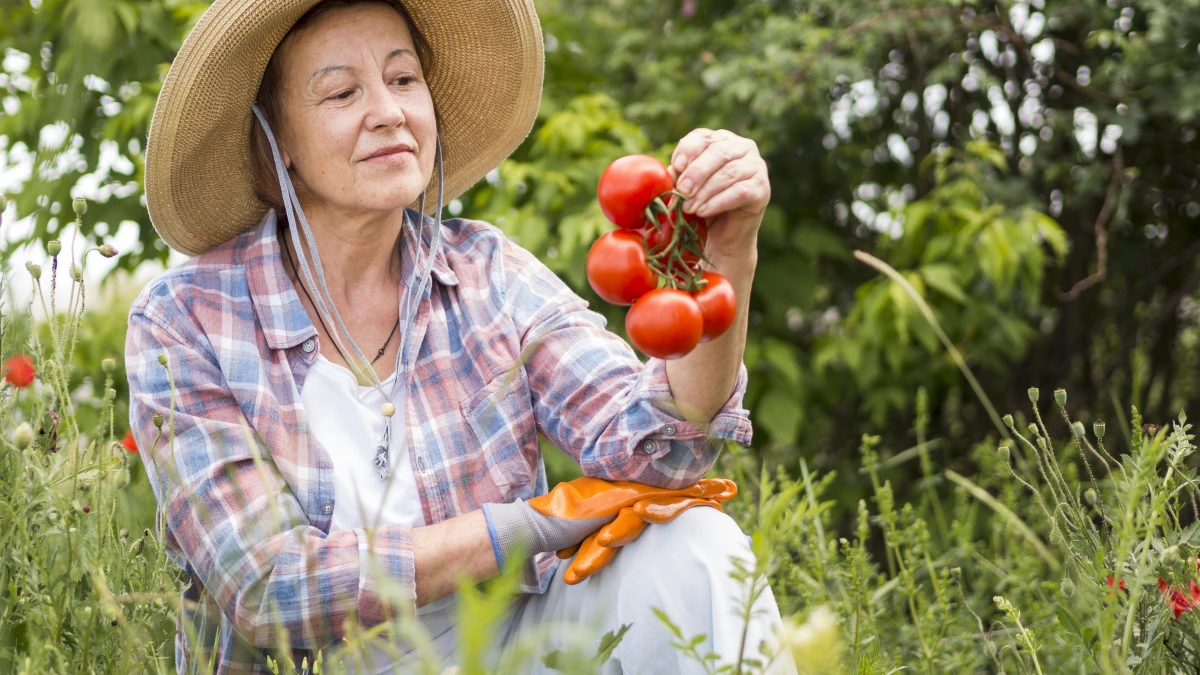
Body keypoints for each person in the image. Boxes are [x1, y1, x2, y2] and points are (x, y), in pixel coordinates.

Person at [126, 0, 792, 673]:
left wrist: (726, 260)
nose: (389, 110)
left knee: (698, 544)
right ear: (279, 146)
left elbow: (660, 450)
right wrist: (527, 525)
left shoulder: (485, 271)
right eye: (342, 91)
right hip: (323, 664)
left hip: (503, 645)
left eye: (404, 79)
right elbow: (268, 587)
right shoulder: (186, 318)